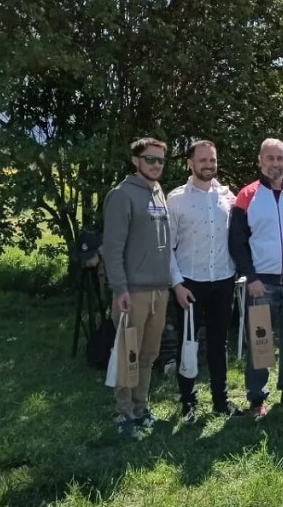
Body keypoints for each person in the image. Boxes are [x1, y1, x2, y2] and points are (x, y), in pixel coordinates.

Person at [229, 138, 283, 417]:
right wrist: (250, 276)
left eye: (280, 158)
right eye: (270, 158)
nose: (275, 164)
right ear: (260, 161)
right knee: (261, 343)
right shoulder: (247, 195)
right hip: (260, 283)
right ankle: (257, 398)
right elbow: (237, 242)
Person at [167, 140, 244, 422]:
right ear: (189, 163)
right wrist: (177, 284)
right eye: (203, 160)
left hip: (223, 281)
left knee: (218, 343)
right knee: (187, 344)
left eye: (212, 160)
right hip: (190, 283)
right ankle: (188, 402)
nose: (208, 165)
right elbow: (167, 248)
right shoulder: (176, 200)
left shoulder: (227, 197)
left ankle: (220, 401)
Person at [102, 137, 172, 437]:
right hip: (132, 292)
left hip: (160, 289)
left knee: (148, 355)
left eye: (160, 160)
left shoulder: (158, 192)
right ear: (136, 160)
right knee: (127, 353)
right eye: (150, 159)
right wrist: (120, 290)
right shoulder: (121, 195)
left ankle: (142, 407)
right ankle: (124, 413)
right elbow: (113, 248)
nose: (155, 165)